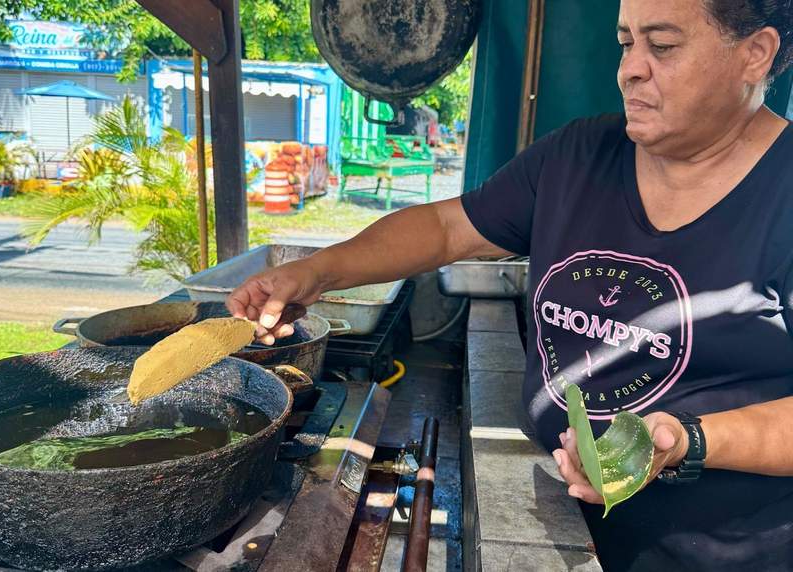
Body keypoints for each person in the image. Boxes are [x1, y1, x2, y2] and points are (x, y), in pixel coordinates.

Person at [227, 0, 793, 569]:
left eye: (662, 46)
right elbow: (447, 228)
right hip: (560, 512)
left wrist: (687, 441)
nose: (630, 69)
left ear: (754, 54)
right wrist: (316, 272)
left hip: (714, 552)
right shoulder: (578, 156)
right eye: (626, 43)